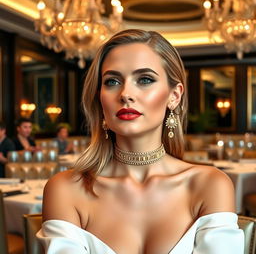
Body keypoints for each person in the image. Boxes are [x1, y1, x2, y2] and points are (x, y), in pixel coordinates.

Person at [37, 29, 244, 253]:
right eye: (112, 81)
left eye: (145, 79)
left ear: (174, 96)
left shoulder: (209, 185)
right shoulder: (65, 190)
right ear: (99, 97)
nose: (126, 93)